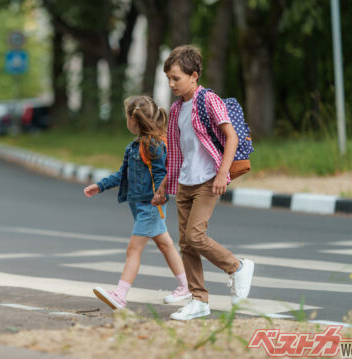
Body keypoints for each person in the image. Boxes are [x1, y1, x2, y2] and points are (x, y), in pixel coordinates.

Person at [152, 45, 254, 321]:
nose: (172, 84)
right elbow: (176, 153)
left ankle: (237, 266)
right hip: (185, 182)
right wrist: (164, 186)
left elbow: (230, 137)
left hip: (209, 179)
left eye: (177, 78)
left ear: (194, 75)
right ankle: (199, 300)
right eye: (169, 79)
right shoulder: (175, 110)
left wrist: (223, 173)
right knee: (186, 244)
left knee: (196, 236)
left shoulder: (208, 100)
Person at [84, 95, 191, 310]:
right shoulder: (133, 147)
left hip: (150, 207)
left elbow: (164, 173)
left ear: (134, 120)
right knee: (166, 245)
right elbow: (122, 175)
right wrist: (101, 186)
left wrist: (159, 196)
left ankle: (120, 295)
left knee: (133, 250)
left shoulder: (154, 146)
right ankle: (187, 287)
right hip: (143, 206)